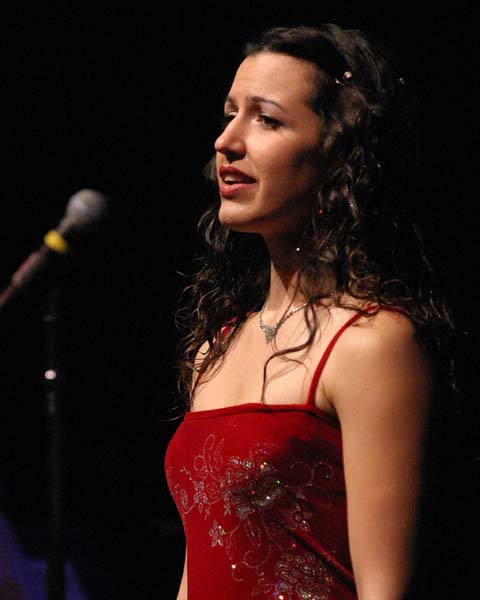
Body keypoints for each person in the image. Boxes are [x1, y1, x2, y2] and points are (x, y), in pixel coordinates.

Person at [164, 24, 458, 600]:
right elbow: (199, 568)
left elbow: (386, 589)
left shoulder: (372, 344)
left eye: (267, 120)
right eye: (230, 114)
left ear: (339, 155)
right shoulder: (214, 348)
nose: (226, 141)